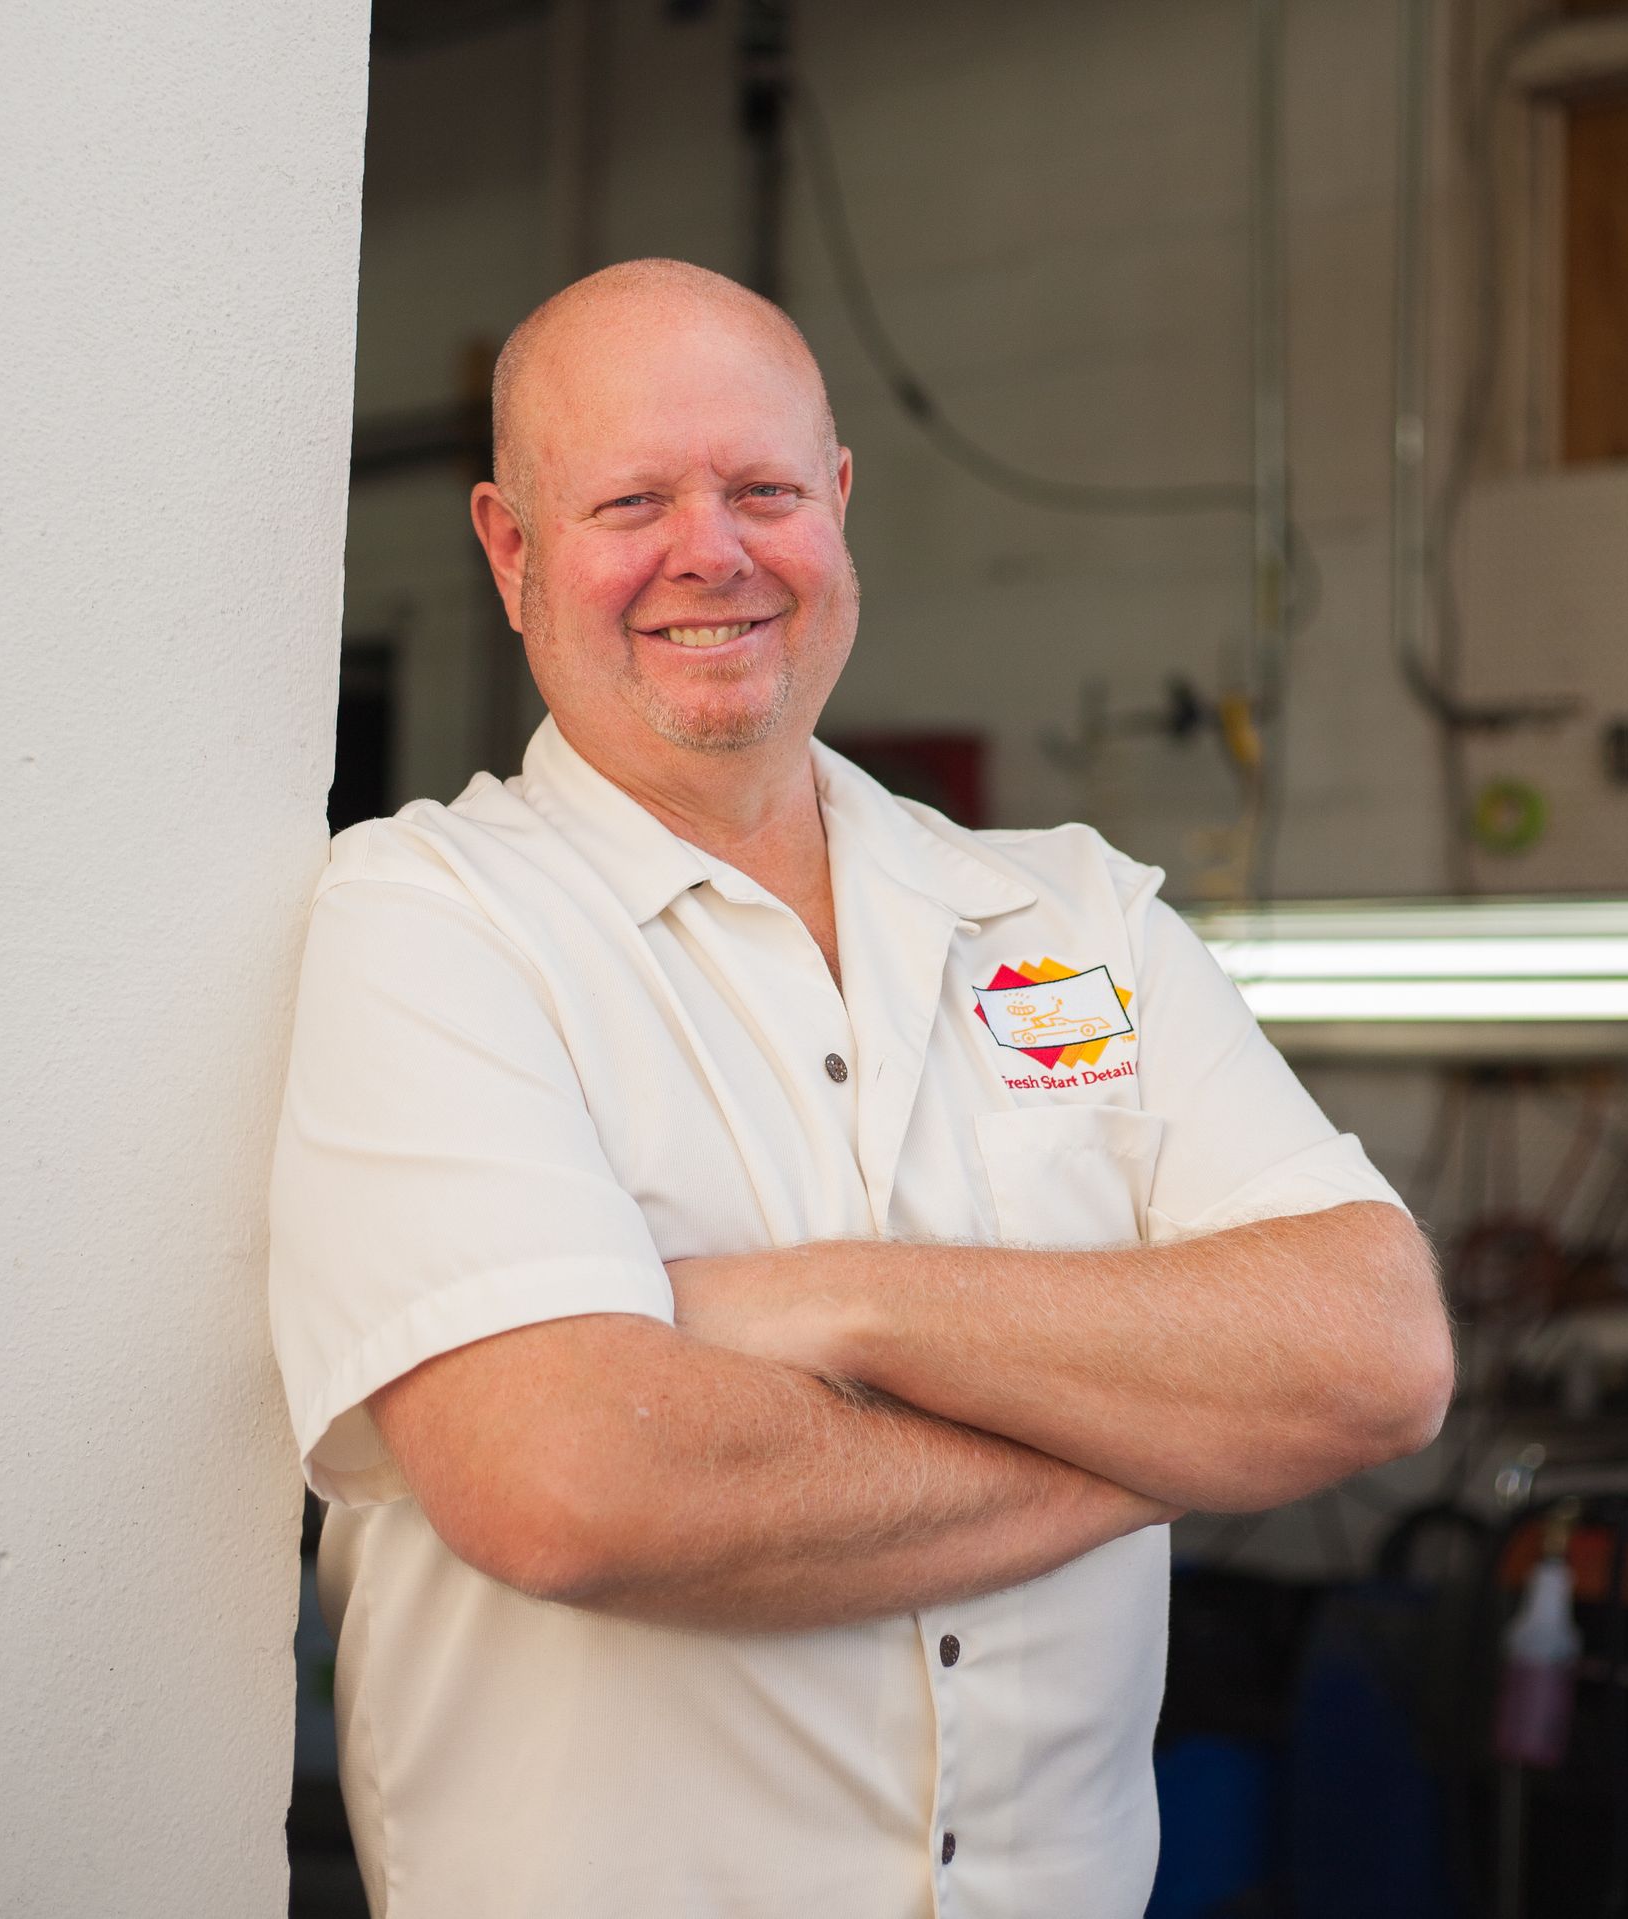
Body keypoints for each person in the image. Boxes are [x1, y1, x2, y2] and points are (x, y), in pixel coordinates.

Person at [268, 258, 1453, 1919]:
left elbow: (1376, 1352)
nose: (713, 551)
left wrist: (831, 1308)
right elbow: (572, 1483)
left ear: (837, 503)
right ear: (511, 550)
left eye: (763, 489)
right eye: (632, 500)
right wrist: (1173, 1440)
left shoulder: (1073, 915)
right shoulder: (426, 923)